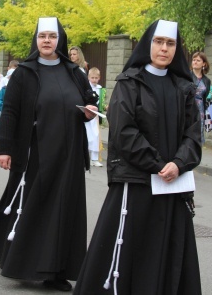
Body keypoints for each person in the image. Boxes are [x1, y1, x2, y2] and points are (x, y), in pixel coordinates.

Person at [74, 19, 202, 295]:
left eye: (170, 43)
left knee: (169, 252)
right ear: (148, 44)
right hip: (137, 184)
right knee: (130, 252)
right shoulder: (129, 83)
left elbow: (193, 135)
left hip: (173, 186)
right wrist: (158, 165)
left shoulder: (184, 87)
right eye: (158, 42)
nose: (164, 49)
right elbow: (124, 132)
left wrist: (178, 164)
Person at [0, 17, 99, 292]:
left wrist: (89, 110)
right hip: (35, 152)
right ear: (36, 40)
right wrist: (4, 149)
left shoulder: (74, 72)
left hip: (68, 155)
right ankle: (16, 259)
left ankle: (56, 270)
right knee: (30, 204)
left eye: (52, 36)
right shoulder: (25, 72)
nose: (47, 40)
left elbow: (90, 102)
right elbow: (10, 111)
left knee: (62, 211)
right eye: (42, 36)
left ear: (60, 40)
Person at [190, 51, 211, 143]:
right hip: (189, 106)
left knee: (198, 132)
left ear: (204, 64)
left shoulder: (206, 80)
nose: (195, 62)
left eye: (198, 60)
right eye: (193, 60)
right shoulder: (187, 76)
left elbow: (205, 96)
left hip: (200, 108)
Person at [86, 67, 103, 167]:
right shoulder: (87, 88)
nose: (94, 80)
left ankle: (94, 158)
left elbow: (101, 102)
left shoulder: (100, 89)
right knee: (87, 136)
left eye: (96, 78)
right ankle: (85, 157)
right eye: (92, 77)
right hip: (87, 114)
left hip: (95, 116)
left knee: (96, 136)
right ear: (88, 78)